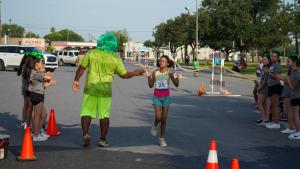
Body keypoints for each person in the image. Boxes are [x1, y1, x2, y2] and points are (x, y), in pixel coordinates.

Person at [72, 33, 145, 147]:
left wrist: (76, 80)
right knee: (104, 115)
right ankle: (102, 139)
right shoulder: (115, 58)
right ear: (113, 44)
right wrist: (136, 73)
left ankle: (85, 134)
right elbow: (124, 75)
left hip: (90, 89)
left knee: (86, 112)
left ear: (101, 42)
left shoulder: (91, 53)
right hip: (105, 91)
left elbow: (81, 68)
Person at [146, 55, 179, 147]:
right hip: (157, 97)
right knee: (158, 117)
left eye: (164, 61)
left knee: (164, 119)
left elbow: (176, 85)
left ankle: (161, 138)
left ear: (167, 63)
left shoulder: (170, 73)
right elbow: (150, 85)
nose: (161, 62)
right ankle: (155, 124)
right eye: (160, 61)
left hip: (166, 97)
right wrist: (148, 76)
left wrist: (176, 77)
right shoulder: (155, 72)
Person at [27, 51, 53, 141]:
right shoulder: (37, 73)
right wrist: (46, 73)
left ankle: (37, 131)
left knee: (44, 114)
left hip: (38, 94)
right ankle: (36, 135)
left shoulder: (37, 73)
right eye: (42, 64)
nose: (44, 65)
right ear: (37, 64)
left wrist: (48, 83)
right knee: (37, 115)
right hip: (36, 95)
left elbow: (44, 85)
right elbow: (48, 78)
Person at [266, 51, 282, 129]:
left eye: (275, 56)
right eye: (272, 56)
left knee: (275, 105)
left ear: (278, 58)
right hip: (270, 86)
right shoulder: (271, 65)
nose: (272, 58)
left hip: (275, 86)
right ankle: (273, 121)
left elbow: (277, 76)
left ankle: (277, 123)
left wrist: (269, 72)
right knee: (272, 105)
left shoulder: (278, 65)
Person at [17, 54, 34, 128]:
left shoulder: (23, 65)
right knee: (30, 105)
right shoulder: (27, 67)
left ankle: (24, 121)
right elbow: (30, 79)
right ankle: (27, 122)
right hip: (28, 88)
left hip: (24, 88)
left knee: (26, 105)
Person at [279, 56, 295, 134]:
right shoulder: (290, 69)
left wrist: (279, 77)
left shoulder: (294, 70)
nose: (287, 63)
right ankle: (290, 127)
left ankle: (292, 127)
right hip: (287, 92)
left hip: (290, 93)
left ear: (293, 62)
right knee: (286, 111)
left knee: (289, 111)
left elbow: (290, 80)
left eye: (288, 61)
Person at [286, 55, 300, 139]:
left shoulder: (298, 75)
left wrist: (288, 81)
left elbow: (292, 88)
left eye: (294, 65)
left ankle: (298, 132)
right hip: (296, 96)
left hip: (296, 96)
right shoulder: (296, 73)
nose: (292, 67)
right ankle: (297, 130)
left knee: (296, 115)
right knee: (296, 115)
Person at [257, 54, 271, 125]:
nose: (263, 61)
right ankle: (266, 118)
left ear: (269, 60)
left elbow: (265, 80)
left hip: (265, 88)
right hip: (265, 88)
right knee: (265, 104)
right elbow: (260, 76)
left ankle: (264, 119)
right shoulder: (264, 67)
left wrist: (259, 87)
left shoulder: (268, 68)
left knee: (259, 103)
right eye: (263, 59)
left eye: (265, 59)